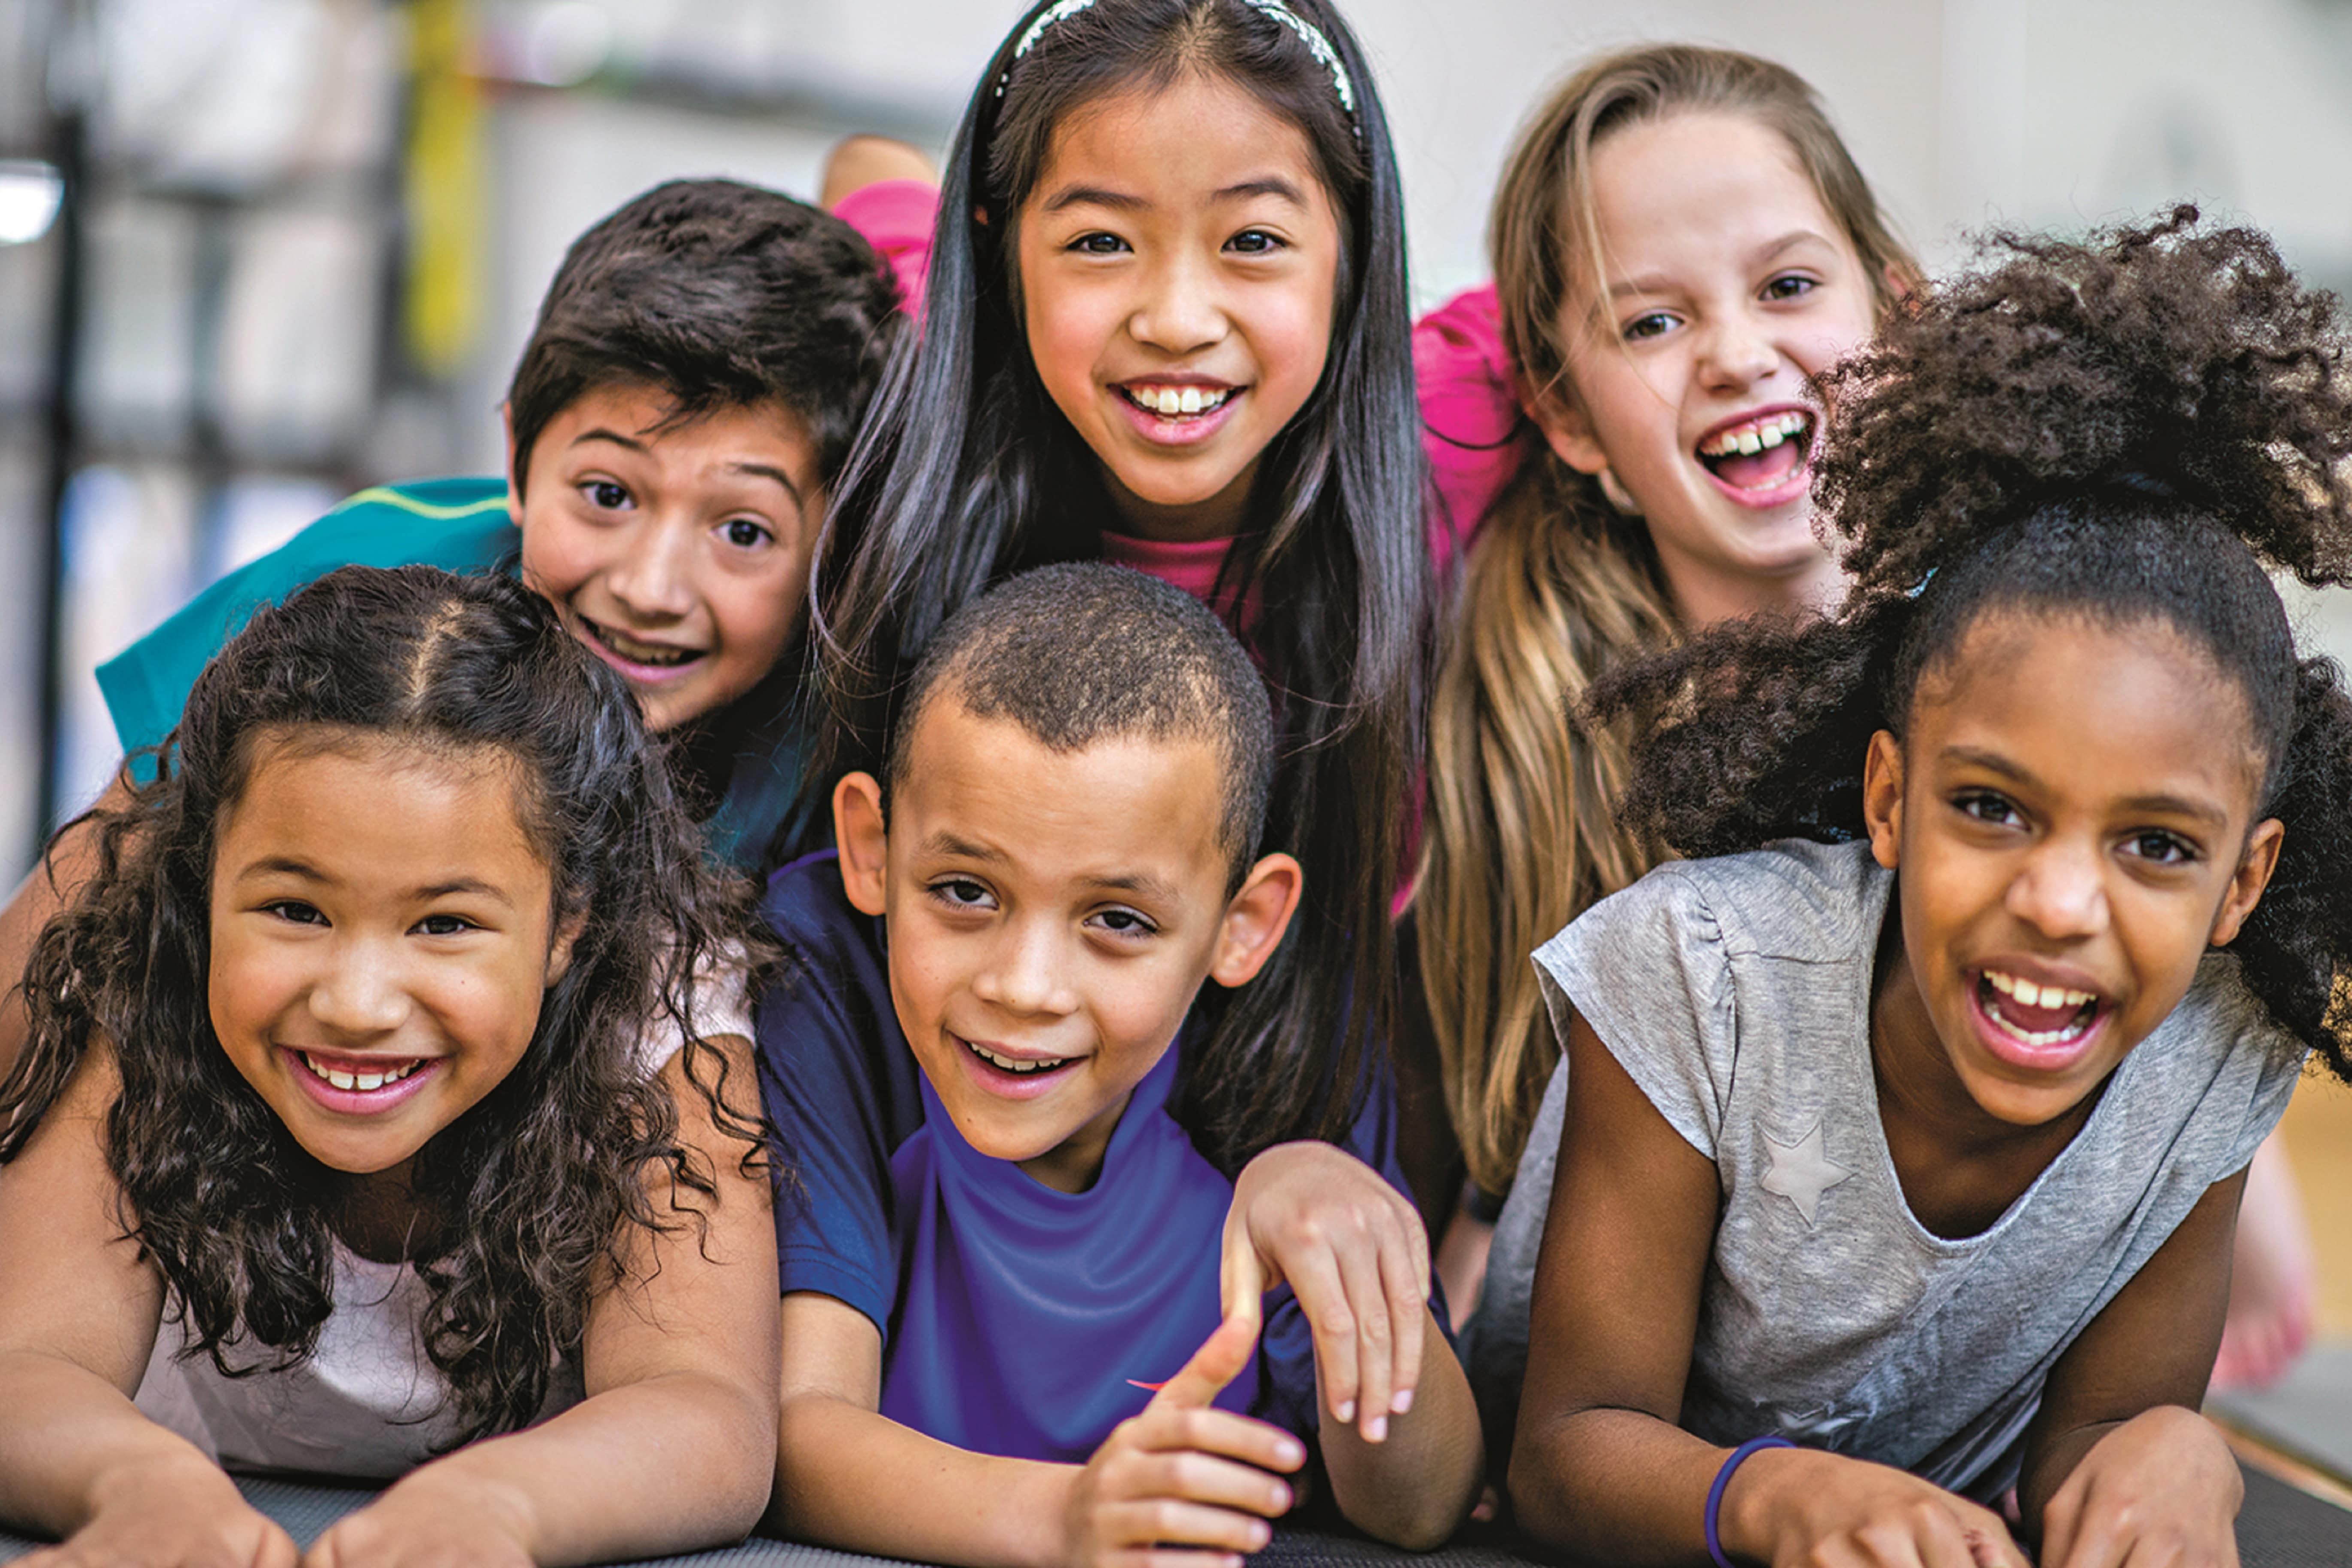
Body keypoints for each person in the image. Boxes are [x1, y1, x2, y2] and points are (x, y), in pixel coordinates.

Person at [1481, 209, 2352, 1566]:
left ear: (2246, 882)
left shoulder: (2217, 1050)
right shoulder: (1704, 973)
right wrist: (1779, 1502)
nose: (2062, 903)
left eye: (2159, 847)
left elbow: (2096, 1434)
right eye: (1992, 809)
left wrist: (2172, 1453)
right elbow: (1566, 1448)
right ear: (1890, 800)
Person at [0, 176, 903, 1083]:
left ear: (840, 542)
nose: (650, 587)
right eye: (606, 495)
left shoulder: (849, 719)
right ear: (516, 459)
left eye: (743, 532)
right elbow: (61, 932)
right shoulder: (358, 585)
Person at [0, 566, 780, 1566]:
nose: (357, 1004)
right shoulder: (149, 981)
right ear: (203, 889)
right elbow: (26, 1361)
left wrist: (498, 1508)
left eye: (445, 924)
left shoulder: (658, 1018)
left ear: (565, 927)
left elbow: (708, 1408)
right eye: (294, 911)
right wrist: (138, 1488)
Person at [809, 0, 1430, 1184]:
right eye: (1100, 242)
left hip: (1270, 1151)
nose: (1177, 319)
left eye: (1252, 241)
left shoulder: (1448, 436)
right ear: (1000, 251)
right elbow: (869, 174)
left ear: (1354, 254)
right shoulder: (920, 394)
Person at [759, 564, 1483, 1565]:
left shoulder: (1288, 1043)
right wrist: (1069, 1521)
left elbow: (1420, 1504)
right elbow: (795, 1433)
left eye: (1118, 921)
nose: (1025, 986)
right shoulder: (823, 976)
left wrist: (1328, 1214)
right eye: (966, 891)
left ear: (1245, 926)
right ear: (873, 848)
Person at [1415, 44, 1919, 1315]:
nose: (1739, 354)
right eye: (1653, 321)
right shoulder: (1530, 736)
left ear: (1899, 316)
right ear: (1570, 419)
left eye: (1790, 284)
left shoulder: (2040, 655)